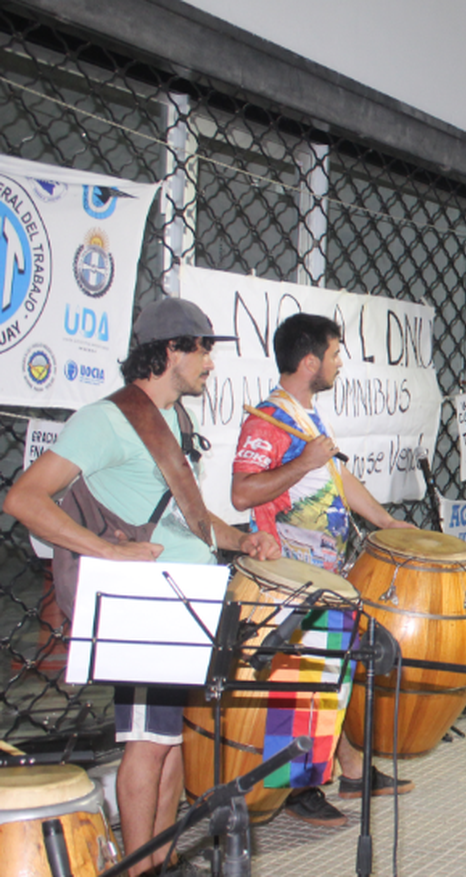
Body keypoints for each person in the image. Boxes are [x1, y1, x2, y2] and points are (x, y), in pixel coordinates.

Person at [4, 298, 281, 876]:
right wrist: (108, 550)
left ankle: (163, 855)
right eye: (203, 348)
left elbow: (189, 518)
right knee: (147, 742)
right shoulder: (105, 420)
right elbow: (23, 498)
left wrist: (241, 541)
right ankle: (140, 867)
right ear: (170, 350)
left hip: (185, 593)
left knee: (172, 739)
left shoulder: (180, 420)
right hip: (145, 601)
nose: (210, 361)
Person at [230, 313, 418, 825]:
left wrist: (382, 520)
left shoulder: (307, 417)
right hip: (291, 576)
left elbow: (336, 475)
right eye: (335, 354)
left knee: (335, 675)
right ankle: (296, 789)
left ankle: (352, 769)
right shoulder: (268, 419)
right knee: (303, 682)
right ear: (309, 361)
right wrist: (304, 462)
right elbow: (243, 491)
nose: (339, 364)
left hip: (327, 571)